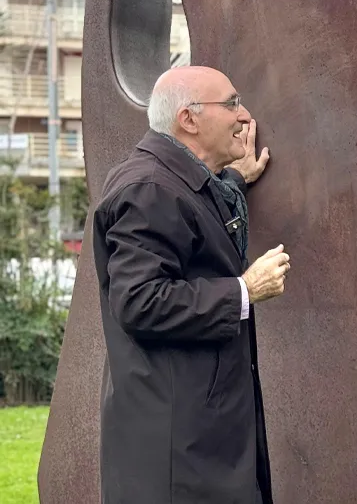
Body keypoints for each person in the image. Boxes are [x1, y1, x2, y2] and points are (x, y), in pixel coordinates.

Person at [93, 65, 291, 503]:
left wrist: (234, 180)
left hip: (194, 440)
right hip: (176, 457)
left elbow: (191, 219)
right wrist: (244, 290)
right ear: (189, 119)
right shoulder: (148, 189)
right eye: (232, 104)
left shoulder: (171, 181)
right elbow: (140, 301)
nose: (245, 116)